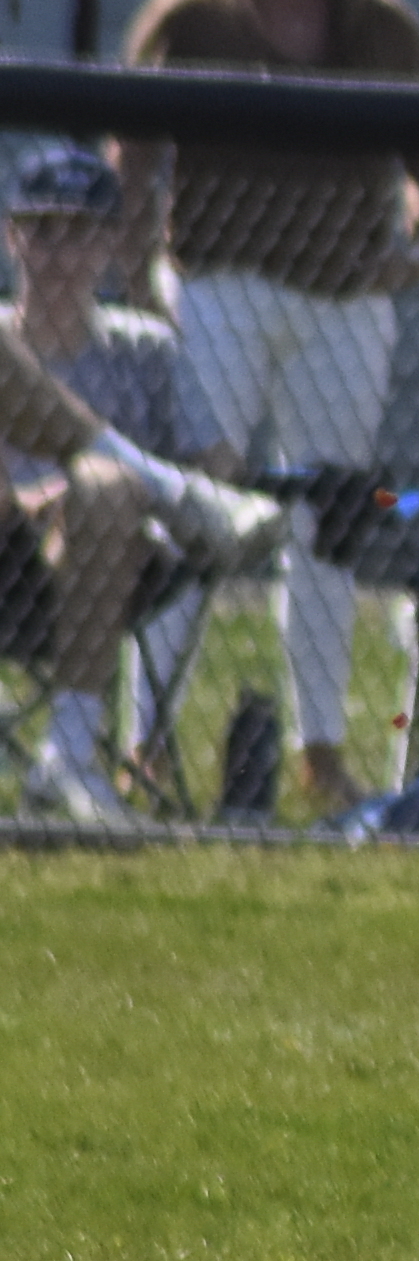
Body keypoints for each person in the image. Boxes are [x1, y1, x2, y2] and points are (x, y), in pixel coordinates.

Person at [116, 0, 419, 820]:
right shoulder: (194, 9)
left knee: (331, 518)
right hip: (217, 289)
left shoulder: (383, 28)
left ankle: (318, 746)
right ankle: (145, 741)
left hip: (345, 307)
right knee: (195, 505)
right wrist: (132, 268)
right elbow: (130, 150)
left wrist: (414, 252)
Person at [3, 141, 280, 819]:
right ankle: (161, 485)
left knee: (105, 484)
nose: (57, 253)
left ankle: (66, 758)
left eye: (78, 232)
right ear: (12, 238)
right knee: (112, 477)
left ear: (109, 245)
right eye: (41, 229)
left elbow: (222, 464)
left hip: (103, 560)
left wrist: (89, 492)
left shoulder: (147, 348)